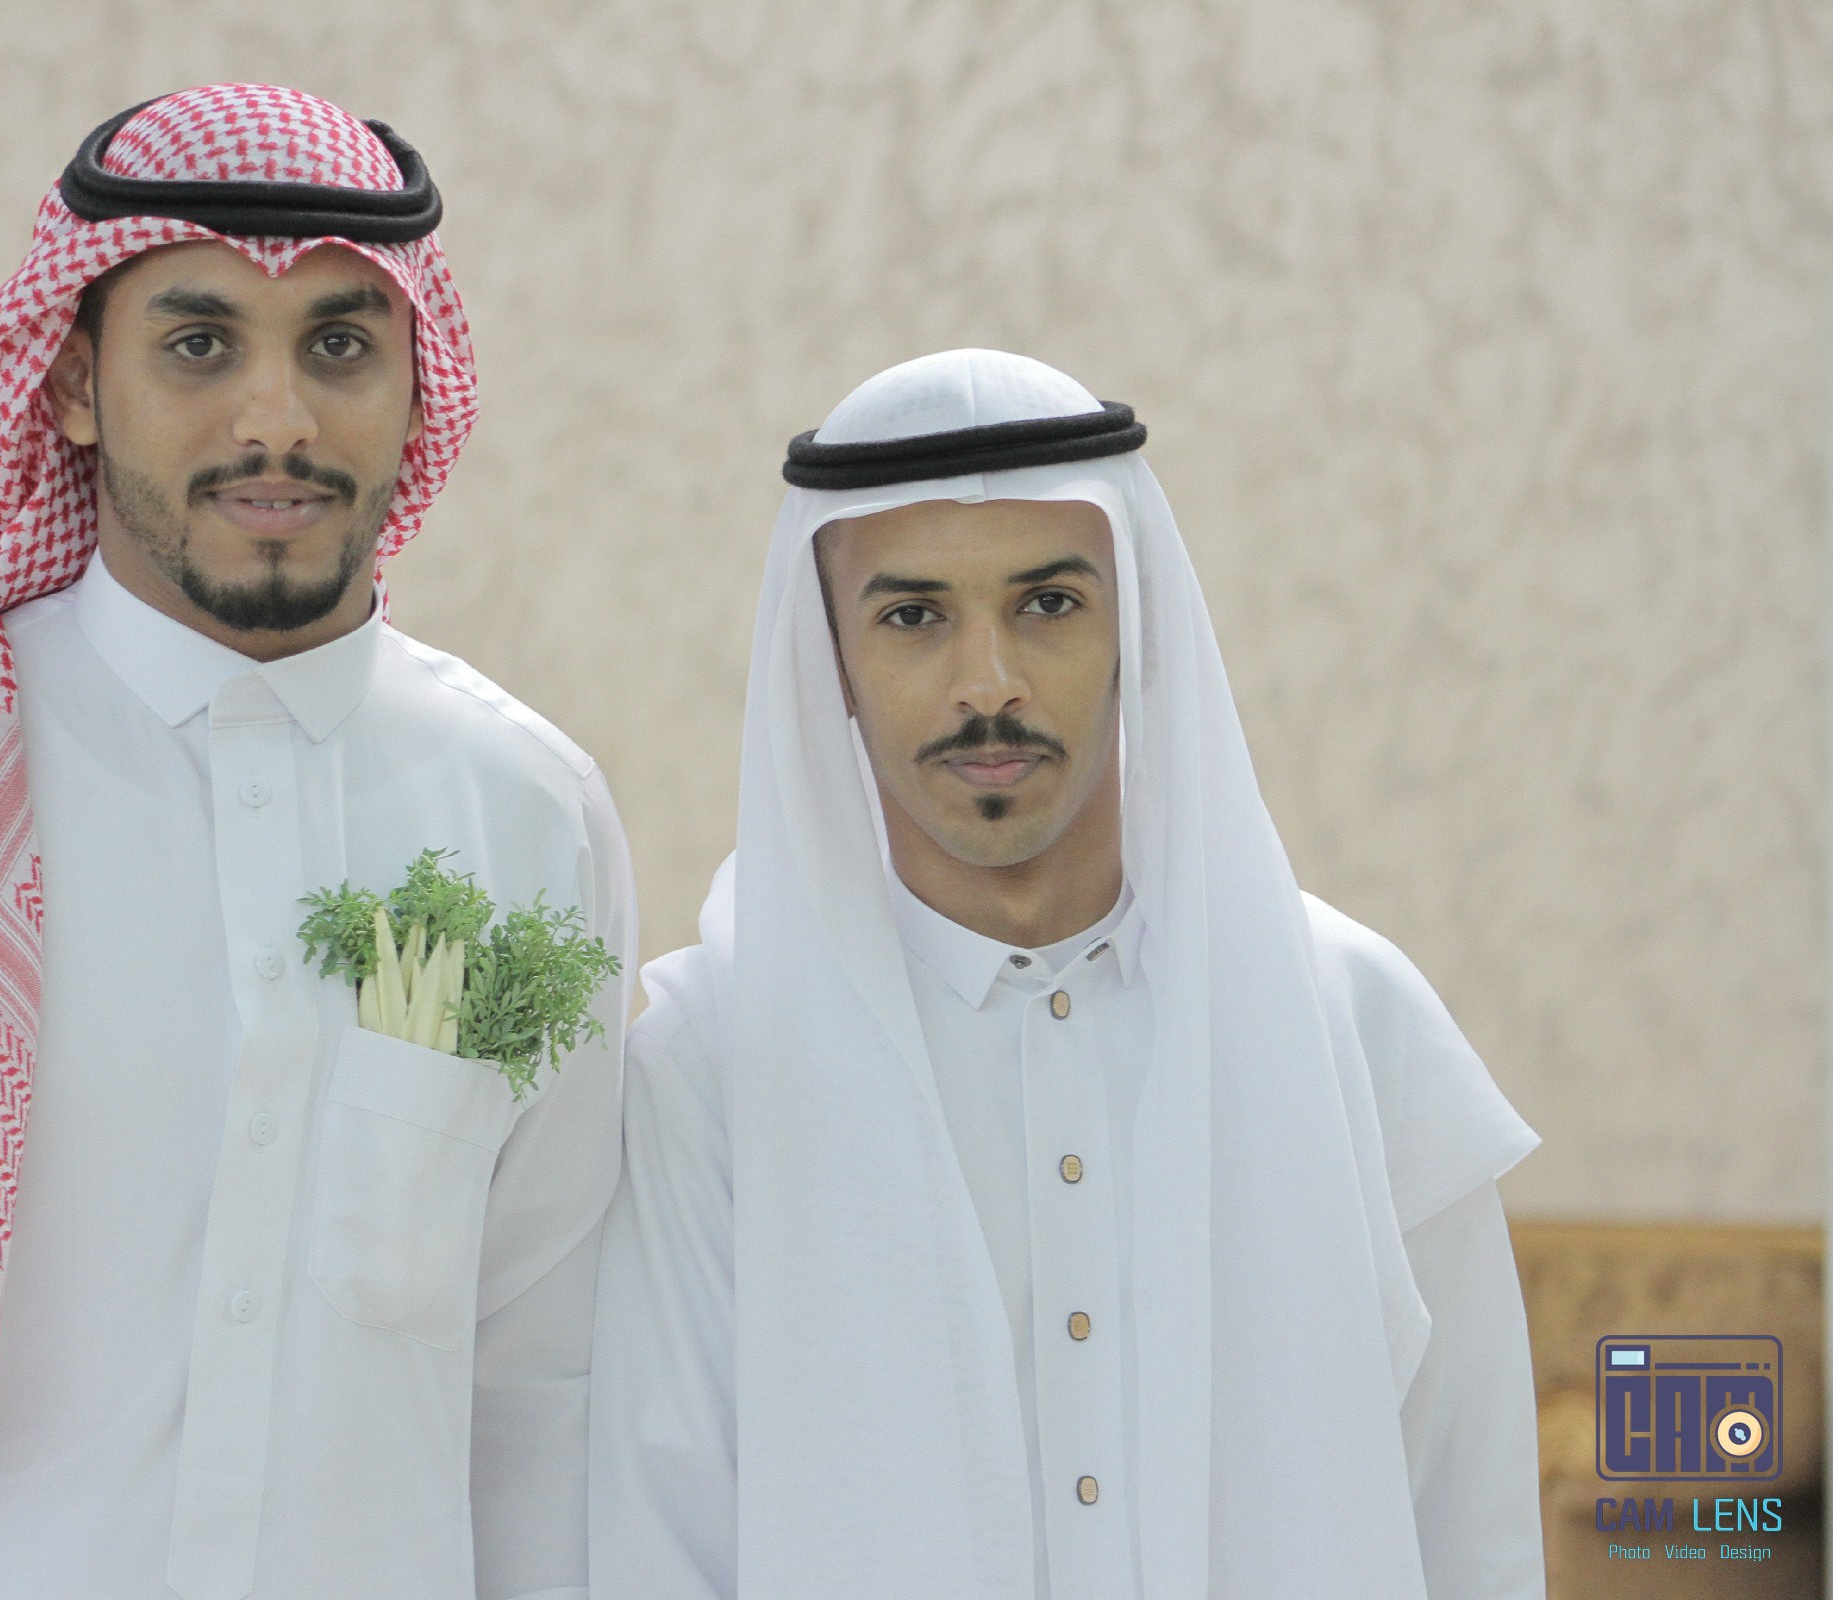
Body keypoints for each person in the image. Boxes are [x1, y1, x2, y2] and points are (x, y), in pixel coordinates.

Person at [0, 84, 632, 1600]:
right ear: (77, 384)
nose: (276, 420)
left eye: (340, 346)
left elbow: (543, 1383)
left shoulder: (527, 812)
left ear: (421, 388)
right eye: (200, 344)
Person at [589, 349, 1543, 1600]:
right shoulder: (708, 1066)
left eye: (1047, 603)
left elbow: (1472, 1528)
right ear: (831, 662)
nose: (988, 683)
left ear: (1133, 625)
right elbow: (656, 1542)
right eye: (914, 616)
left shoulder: (1352, 1023)